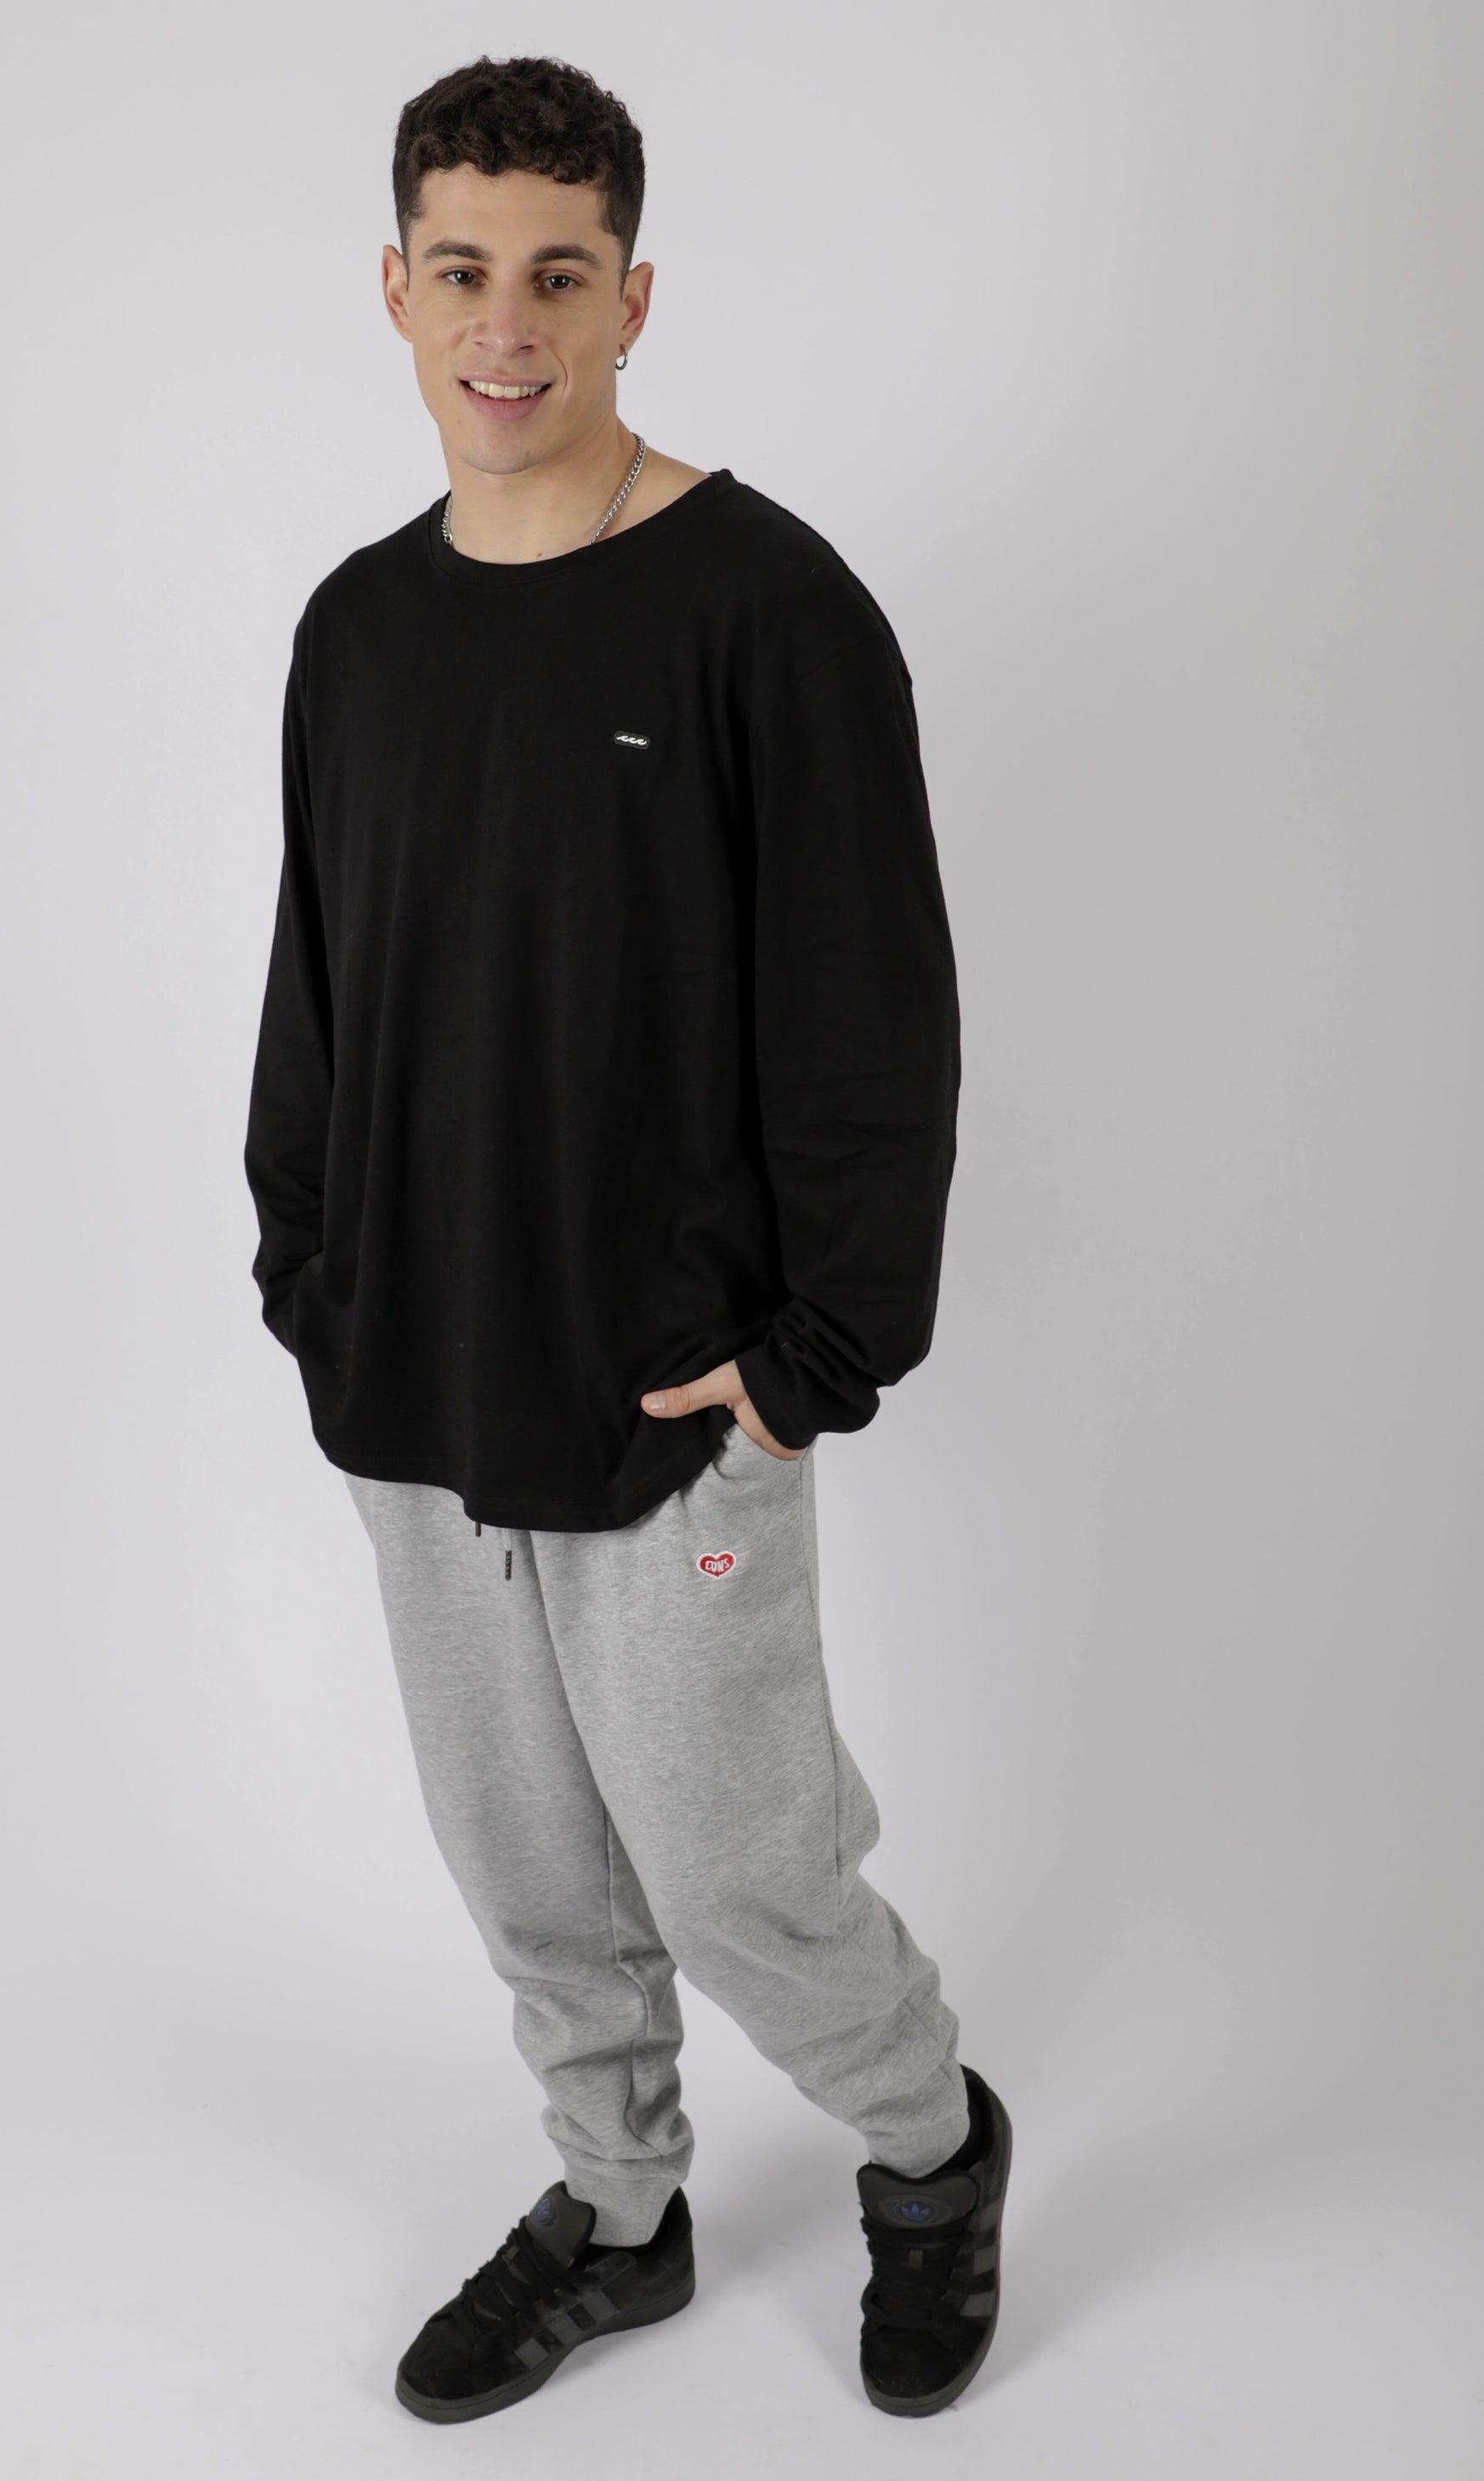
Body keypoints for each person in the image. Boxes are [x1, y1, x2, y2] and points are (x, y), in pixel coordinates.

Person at [243, 51, 1011, 2426]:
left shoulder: (766, 609)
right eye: (462, 270)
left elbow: (875, 1011)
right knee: (529, 1873)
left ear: (632, 298)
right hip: (416, 1369)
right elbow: (321, 975)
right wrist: (312, 1275)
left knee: (736, 1869)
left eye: (558, 276)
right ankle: (618, 2206)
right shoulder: (358, 627)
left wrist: (815, 1349)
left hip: (678, 1388)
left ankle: (928, 2155)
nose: (508, 326)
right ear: (394, 288)